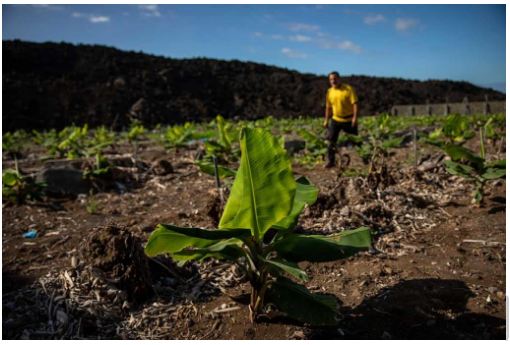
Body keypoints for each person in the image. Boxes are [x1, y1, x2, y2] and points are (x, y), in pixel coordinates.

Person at [323, 71, 359, 168]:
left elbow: (355, 104)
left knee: (355, 141)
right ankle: (331, 161)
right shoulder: (329, 92)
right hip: (336, 119)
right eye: (331, 79)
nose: (333, 81)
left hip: (349, 120)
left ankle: (360, 161)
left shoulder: (348, 89)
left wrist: (355, 118)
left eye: (335, 78)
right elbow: (328, 107)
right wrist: (326, 120)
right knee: (331, 141)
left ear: (339, 79)